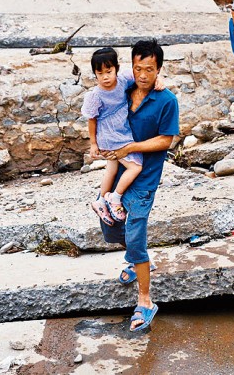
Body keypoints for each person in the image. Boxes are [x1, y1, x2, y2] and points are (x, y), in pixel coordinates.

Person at [97, 39, 179, 333]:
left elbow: (166, 140)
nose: (144, 75)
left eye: (150, 69)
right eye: (139, 68)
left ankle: (145, 300)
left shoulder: (166, 100)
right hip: (117, 171)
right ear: (131, 68)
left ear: (159, 69)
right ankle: (135, 260)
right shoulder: (124, 88)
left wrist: (132, 146)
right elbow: (101, 92)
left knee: (135, 236)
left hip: (143, 179)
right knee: (109, 224)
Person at [82, 48, 145, 225]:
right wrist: (94, 144)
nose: (105, 77)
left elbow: (142, 76)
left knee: (112, 169)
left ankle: (101, 201)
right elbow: (92, 120)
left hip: (121, 130)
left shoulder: (124, 80)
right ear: (95, 74)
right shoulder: (95, 96)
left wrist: (159, 80)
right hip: (110, 136)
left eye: (109, 72)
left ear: (116, 68)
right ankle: (115, 197)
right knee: (135, 167)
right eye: (100, 73)